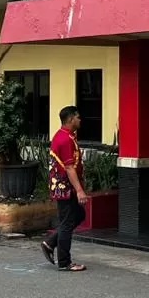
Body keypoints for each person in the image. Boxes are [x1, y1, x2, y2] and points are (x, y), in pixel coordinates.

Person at [40, 105, 89, 272]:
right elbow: (69, 168)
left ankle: (50, 242)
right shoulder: (65, 139)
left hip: (66, 187)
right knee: (67, 223)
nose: (80, 120)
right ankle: (64, 262)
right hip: (65, 188)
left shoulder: (66, 136)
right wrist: (80, 190)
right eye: (78, 117)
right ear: (70, 119)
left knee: (78, 215)